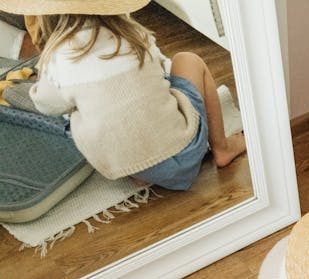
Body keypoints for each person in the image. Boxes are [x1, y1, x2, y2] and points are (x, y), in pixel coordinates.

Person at [4, 0, 246, 191]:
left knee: (76, 114)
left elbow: (45, 105)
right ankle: (222, 148)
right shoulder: (135, 35)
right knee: (188, 60)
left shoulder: (58, 60)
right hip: (185, 152)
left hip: (124, 166)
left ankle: (140, 172)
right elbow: (161, 71)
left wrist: (41, 81)